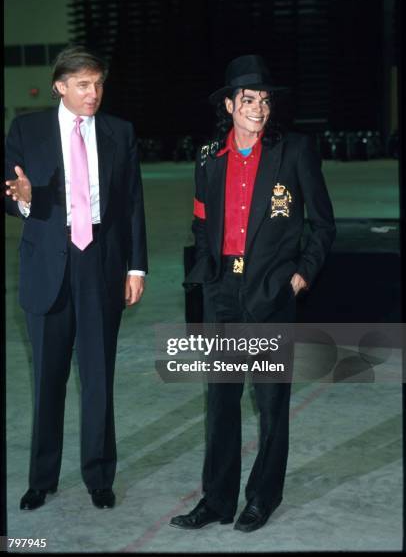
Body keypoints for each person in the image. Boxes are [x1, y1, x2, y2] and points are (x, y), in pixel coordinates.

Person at [170, 54, 335, 532]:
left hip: (270, 292)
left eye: (264, 100)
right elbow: (201, 221)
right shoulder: (207, 158)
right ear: (229, 104)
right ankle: (217, 501)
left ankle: (262, 497)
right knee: (220, 404)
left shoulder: (296, 151)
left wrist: (301, 274)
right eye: (248, 100)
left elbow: (323, 224)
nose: (259, 109)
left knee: (269, 405)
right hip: (224, 293)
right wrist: (208, 273)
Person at [5, 45, 148, 510]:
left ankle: (99, 476)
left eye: (99, 84)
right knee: (47, 379)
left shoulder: (119, 132)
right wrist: (24, 198)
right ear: (60, 86)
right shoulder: (26, 130)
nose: (94, 93)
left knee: (97, 377)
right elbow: (11, 192)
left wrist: (135, 266)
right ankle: (42, 478)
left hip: (102, 262)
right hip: (49, 258)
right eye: (84, 85)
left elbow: (132, 204)